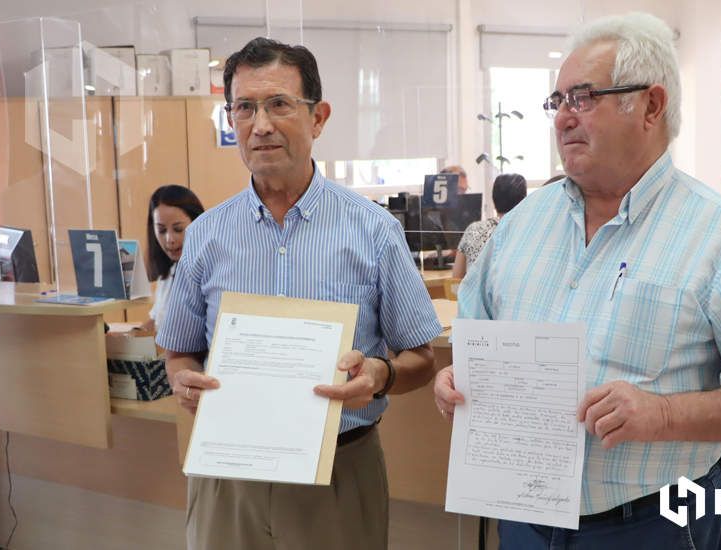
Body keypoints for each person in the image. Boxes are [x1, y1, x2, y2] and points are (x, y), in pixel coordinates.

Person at [434, 12, 721, 549]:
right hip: (523, 516)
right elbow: (474, 342)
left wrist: (663, 414)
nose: (563, 118)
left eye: (584, 97)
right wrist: (456, 383)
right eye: (558, 101)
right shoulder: (520, 227)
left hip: (653, 524)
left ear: (651, 105)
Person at [157, 37, 442, 550]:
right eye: (244, 107)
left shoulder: (373, 230)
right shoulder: (205, 235)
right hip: (230, 474)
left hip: (339, 468)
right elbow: (177, 350)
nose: (260, 124)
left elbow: (420, 356)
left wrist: (381, 375)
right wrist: (183, 381)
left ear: (318, 118)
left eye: (278, 104)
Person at [137, 184, 204, 334]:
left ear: (198, 224)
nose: (169, 239)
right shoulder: (169, 272)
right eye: (161, 230)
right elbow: (156, 320)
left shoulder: (206, 275)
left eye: (178, 229)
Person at [451, 173, 526, 278]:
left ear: (494, 199)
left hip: (474, 294)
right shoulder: (526, 231)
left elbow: (456, 277)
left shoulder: (473, 229)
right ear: (524, 201)